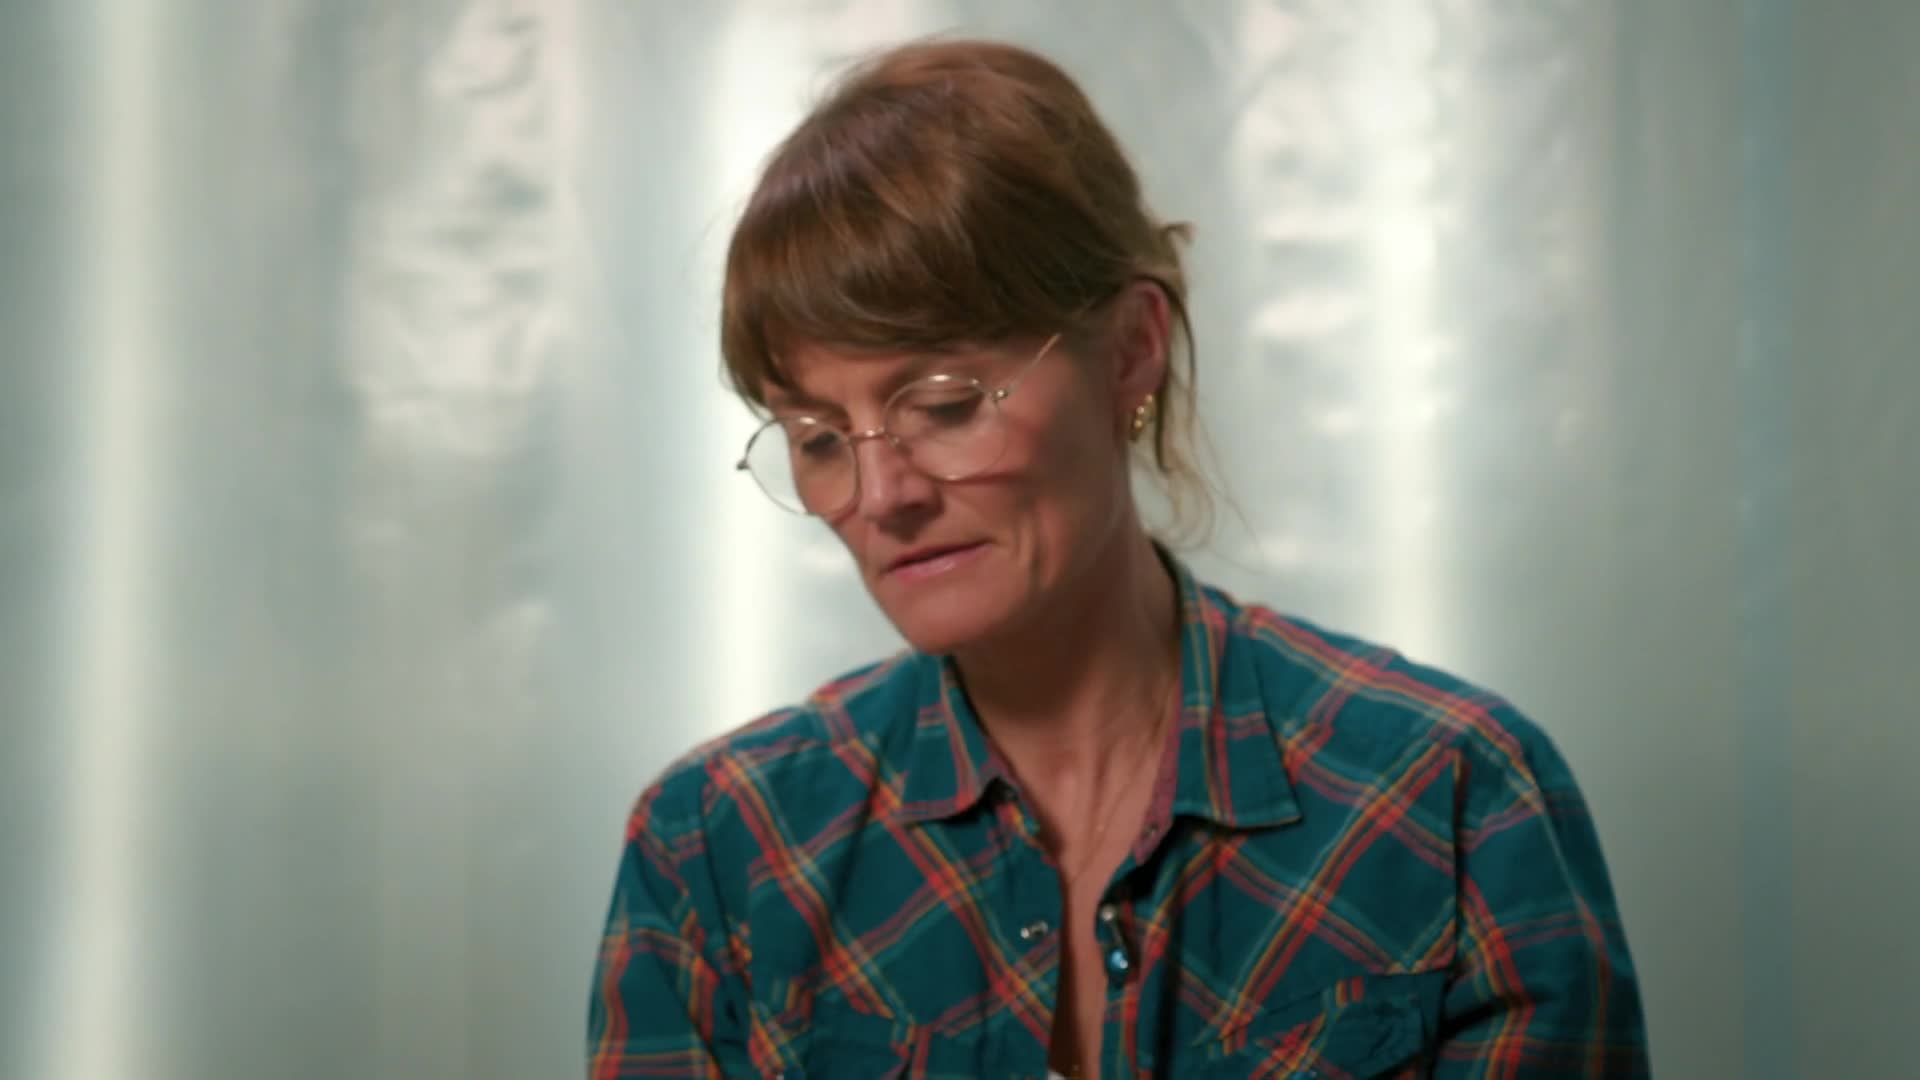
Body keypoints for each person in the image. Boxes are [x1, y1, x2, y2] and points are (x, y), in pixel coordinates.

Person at [588, 38, 1648, 1079]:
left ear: (1134, 348)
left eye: (945, 406)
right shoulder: (718, 853)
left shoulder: (1450, 800)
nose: (881, 495)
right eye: (819, 438)